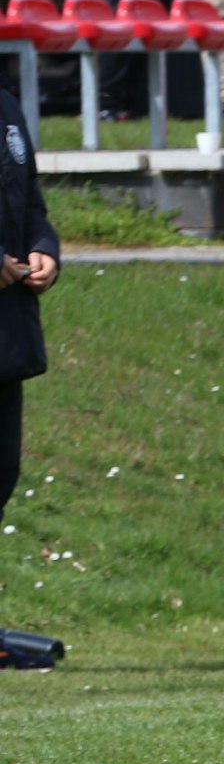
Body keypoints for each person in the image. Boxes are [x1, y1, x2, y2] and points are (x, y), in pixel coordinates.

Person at [2, 84, 59, 530]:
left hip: (6, 335)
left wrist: (43, 247)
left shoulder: (6, 107)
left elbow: (30, 201)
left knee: (2, 474)